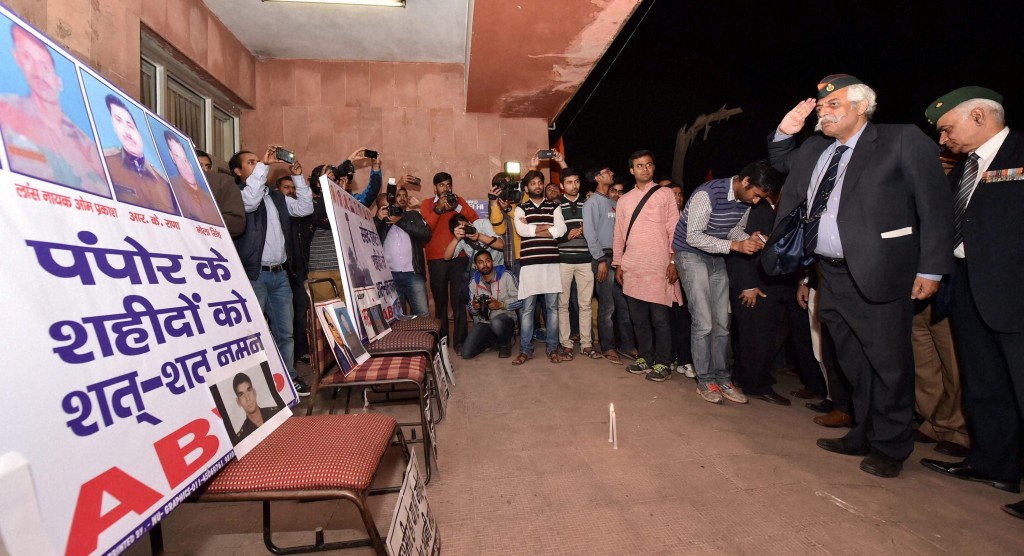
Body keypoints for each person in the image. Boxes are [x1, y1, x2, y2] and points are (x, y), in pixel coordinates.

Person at [762, 74, 953, 478]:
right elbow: (781, 163)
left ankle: (892, 444)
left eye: (834, 105)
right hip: (829, 275)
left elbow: (934, 207)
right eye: (821, 106)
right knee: (852, 363)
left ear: (862, 106)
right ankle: (863, 431)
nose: (823, 112)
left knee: (889, 365)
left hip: (881, 273)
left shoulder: (901, 139)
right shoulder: (815, 148)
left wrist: (931, 268)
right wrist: (784, 131)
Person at [917, 87, 1024, 514]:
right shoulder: (963, 170)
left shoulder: (1020, 151)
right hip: (967, 288)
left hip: (1015, 292)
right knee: (985, 384)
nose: (943, 141)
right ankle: (993, 464)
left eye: (946, 130)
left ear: (978, 116)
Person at [675, 160, 781, 401]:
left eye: (760, 199)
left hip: (716, 255)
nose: (755, 202)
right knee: (704, 322)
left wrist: (749, 238)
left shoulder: (744, 201)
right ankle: (705, 381)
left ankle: (723, 379)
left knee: (722, 322)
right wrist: (735, 245)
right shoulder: (707, 194)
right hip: (690, 255)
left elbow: (732, 231)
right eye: (755, 195)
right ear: (745, 182)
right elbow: (693, 237)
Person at [231, 145, 315, 396]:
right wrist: (263, 168)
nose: (258, 165)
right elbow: (249, 203)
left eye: (259, 162)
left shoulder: (276, 197)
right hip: (255, 274)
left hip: (280, 275)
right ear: (237, 171)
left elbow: (305, 209)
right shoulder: (237, 194)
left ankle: (289, 377)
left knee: (285, 332)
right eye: (251, 163)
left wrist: (298, 177)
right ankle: (259, 383)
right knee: (255, 333)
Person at [0, 26, 107, 195]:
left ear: (59, 82)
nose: (38, 73)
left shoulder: (86, 145)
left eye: (45, 67)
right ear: (18, 60)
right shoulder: (6, 111)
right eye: (27, 58)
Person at [612, 150, 680, 382]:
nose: (644, 168)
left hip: (659, 265)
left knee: (660, 318)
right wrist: (618, 264)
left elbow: (674, 228)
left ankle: (663, 363)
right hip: (633, 266)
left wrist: (673, 260)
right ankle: (646, 357)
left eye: (649, 164)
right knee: (638, 318)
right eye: (639, 165)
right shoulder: (623, 200)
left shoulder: (665, 194)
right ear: (632, 170)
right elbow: (619, 235)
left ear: (653, 168)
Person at [512, 169, 567, 365]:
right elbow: (521, 231)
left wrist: (534, 228)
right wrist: (546, 228)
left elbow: (561, 230)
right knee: (527, 310)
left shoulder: (554, 206)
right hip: (529, 265)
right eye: (533, 183)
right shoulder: (520, 208)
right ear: (526, 188)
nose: (537, 185)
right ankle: (525, 350)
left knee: (552, 309)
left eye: (539, 182)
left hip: (551, 264)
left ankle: (553, 349)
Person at [584, 167, 636, 364]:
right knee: (607, 306)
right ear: (598, 178)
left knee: (623, 305)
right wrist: (600, 260)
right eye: (607, 172)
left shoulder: (615, 202)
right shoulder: (592, 203)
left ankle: (627, 345)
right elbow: (590, 234)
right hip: (603, 257)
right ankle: (608, 347)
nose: (611, 173)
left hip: (619, 257)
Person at [421, 171, 479, 349]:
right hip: (435, 259)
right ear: (435, 188)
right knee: (440, 303)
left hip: (458, 257)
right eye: (441, 185)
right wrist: (438, 208)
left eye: (448, 185)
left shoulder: (458, 201)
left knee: (458, 300)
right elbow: (426, 229)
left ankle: (460, 342)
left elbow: (474, 219)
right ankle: (441, 341)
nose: (445, 189)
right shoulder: (427, 204)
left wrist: (457, 207)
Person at [102, 94, 177, 213]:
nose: (126, 132)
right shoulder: (104, 163)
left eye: (130, 125)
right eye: (118, 121)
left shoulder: (164, 184)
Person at [556, 167, 598, 359]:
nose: (574, 186)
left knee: (585, 304)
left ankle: (586, 343)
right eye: (570, 182)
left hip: (585, 260)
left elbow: (597, 231)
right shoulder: (555, 205)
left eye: (577, 181)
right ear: (562, 185)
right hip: (563, 261)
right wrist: (566, 236)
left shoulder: (588, 203)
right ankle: (566, 344)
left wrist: (586, 230)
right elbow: (549, 234)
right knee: (562, 304)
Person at [374, 185, 432, 316]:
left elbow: (426, 234)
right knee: (396, 316)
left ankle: (426, 337)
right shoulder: (382, 218)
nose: (402, 198)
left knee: (422, 313)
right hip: (389, 276)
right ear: (391, 199)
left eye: (405, 195)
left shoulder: (413, 215)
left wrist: (400, 220)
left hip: (413, 273)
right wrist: (378, 219)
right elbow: (370, 236)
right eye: (398, 195)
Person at [661, 179, 695, 377]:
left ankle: (685, 360)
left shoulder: (689, 217)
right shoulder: (659, 219)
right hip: (663, 274)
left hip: (686, 274)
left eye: (680, 194)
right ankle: (671, 357)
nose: (678, 197)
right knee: (667, 319)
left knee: (684, 318)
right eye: (674, 194)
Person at [463, 251, 521, 359]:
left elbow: (521, 300)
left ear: (492, 262)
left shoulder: (506, 276)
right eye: (480, 262)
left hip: (506, 319)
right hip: (485, 322)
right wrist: (475, 307)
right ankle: (493, 340)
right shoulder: (473, 283)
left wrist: (501, 305)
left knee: (497, 322)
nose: (485, 265)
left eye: (487, 261)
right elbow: (471, 309)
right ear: (476, 266)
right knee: (466, 353)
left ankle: (505, 344)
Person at [162, 131, 220, 225]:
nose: (204, 170)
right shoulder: (171, 187)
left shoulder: (210, 195)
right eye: (200, 165)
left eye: (208, 166)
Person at [233, 372, 280, 442]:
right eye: (241, 395)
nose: (247, 398)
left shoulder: (276, 412)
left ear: (254, 392)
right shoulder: (242, 438)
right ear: (238, 402)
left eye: (249, 390)